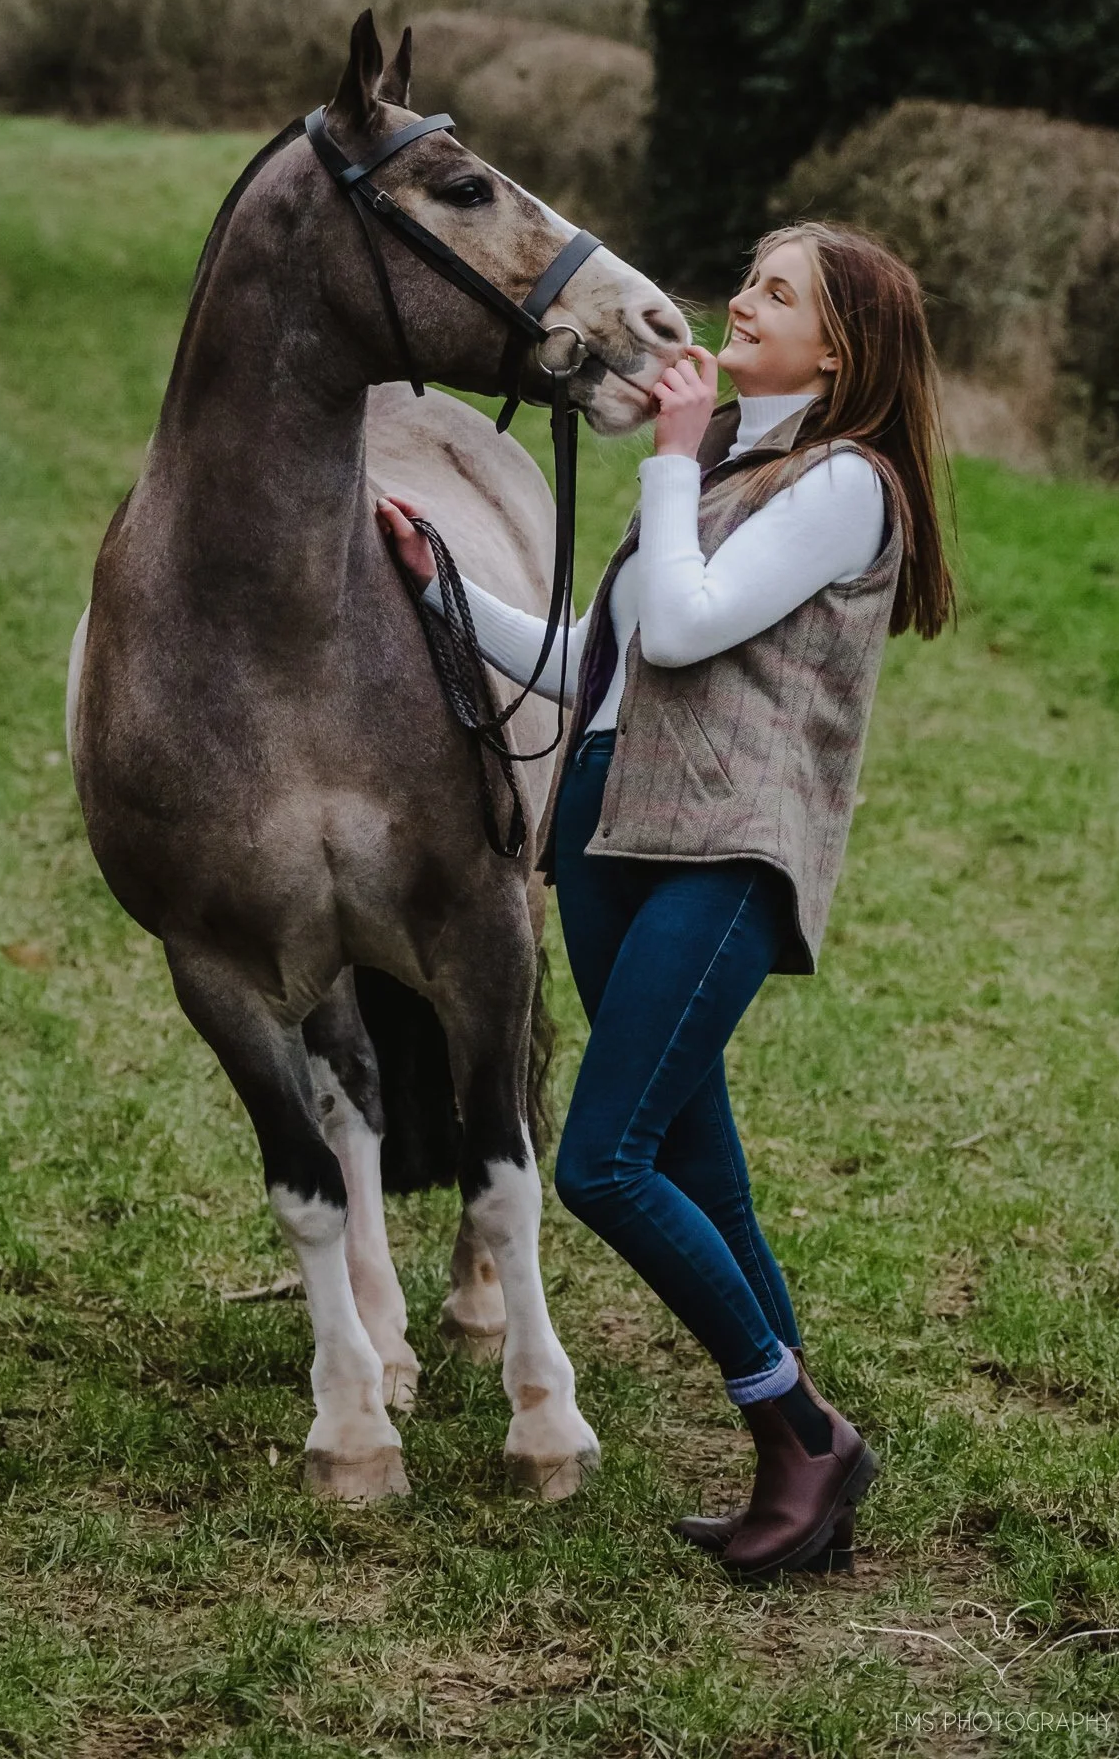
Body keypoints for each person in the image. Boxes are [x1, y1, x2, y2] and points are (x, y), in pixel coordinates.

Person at [376, 222, 953, 1577]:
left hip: (724, 848)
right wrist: (443, 592)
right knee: (701, 1166)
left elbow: (691, 627)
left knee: (603, 1163)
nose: (739, 299)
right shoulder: (731, 469)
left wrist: (673, 465)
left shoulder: (846, 483)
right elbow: (600, 657)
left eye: (778, 291)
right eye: (749, 275)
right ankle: (802, 1450)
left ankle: (801, 1429)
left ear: (841, 345)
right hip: (607, 824)